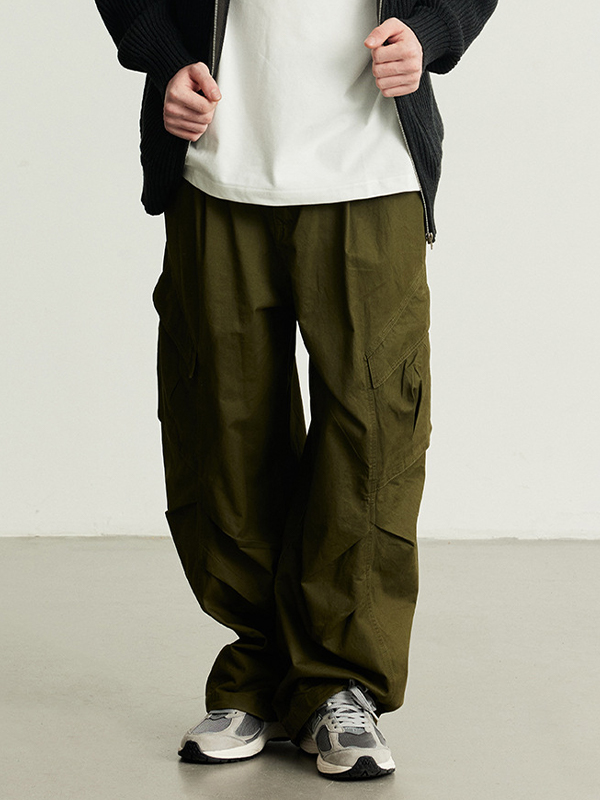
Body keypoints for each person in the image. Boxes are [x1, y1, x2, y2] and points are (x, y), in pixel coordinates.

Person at [95, 0, 496, 781]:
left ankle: (340, 684)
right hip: (217, 159)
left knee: (372, 432)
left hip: (372, 164)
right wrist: (165, 59)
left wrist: (431, 32)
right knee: (222, 422)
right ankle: (257, 674)